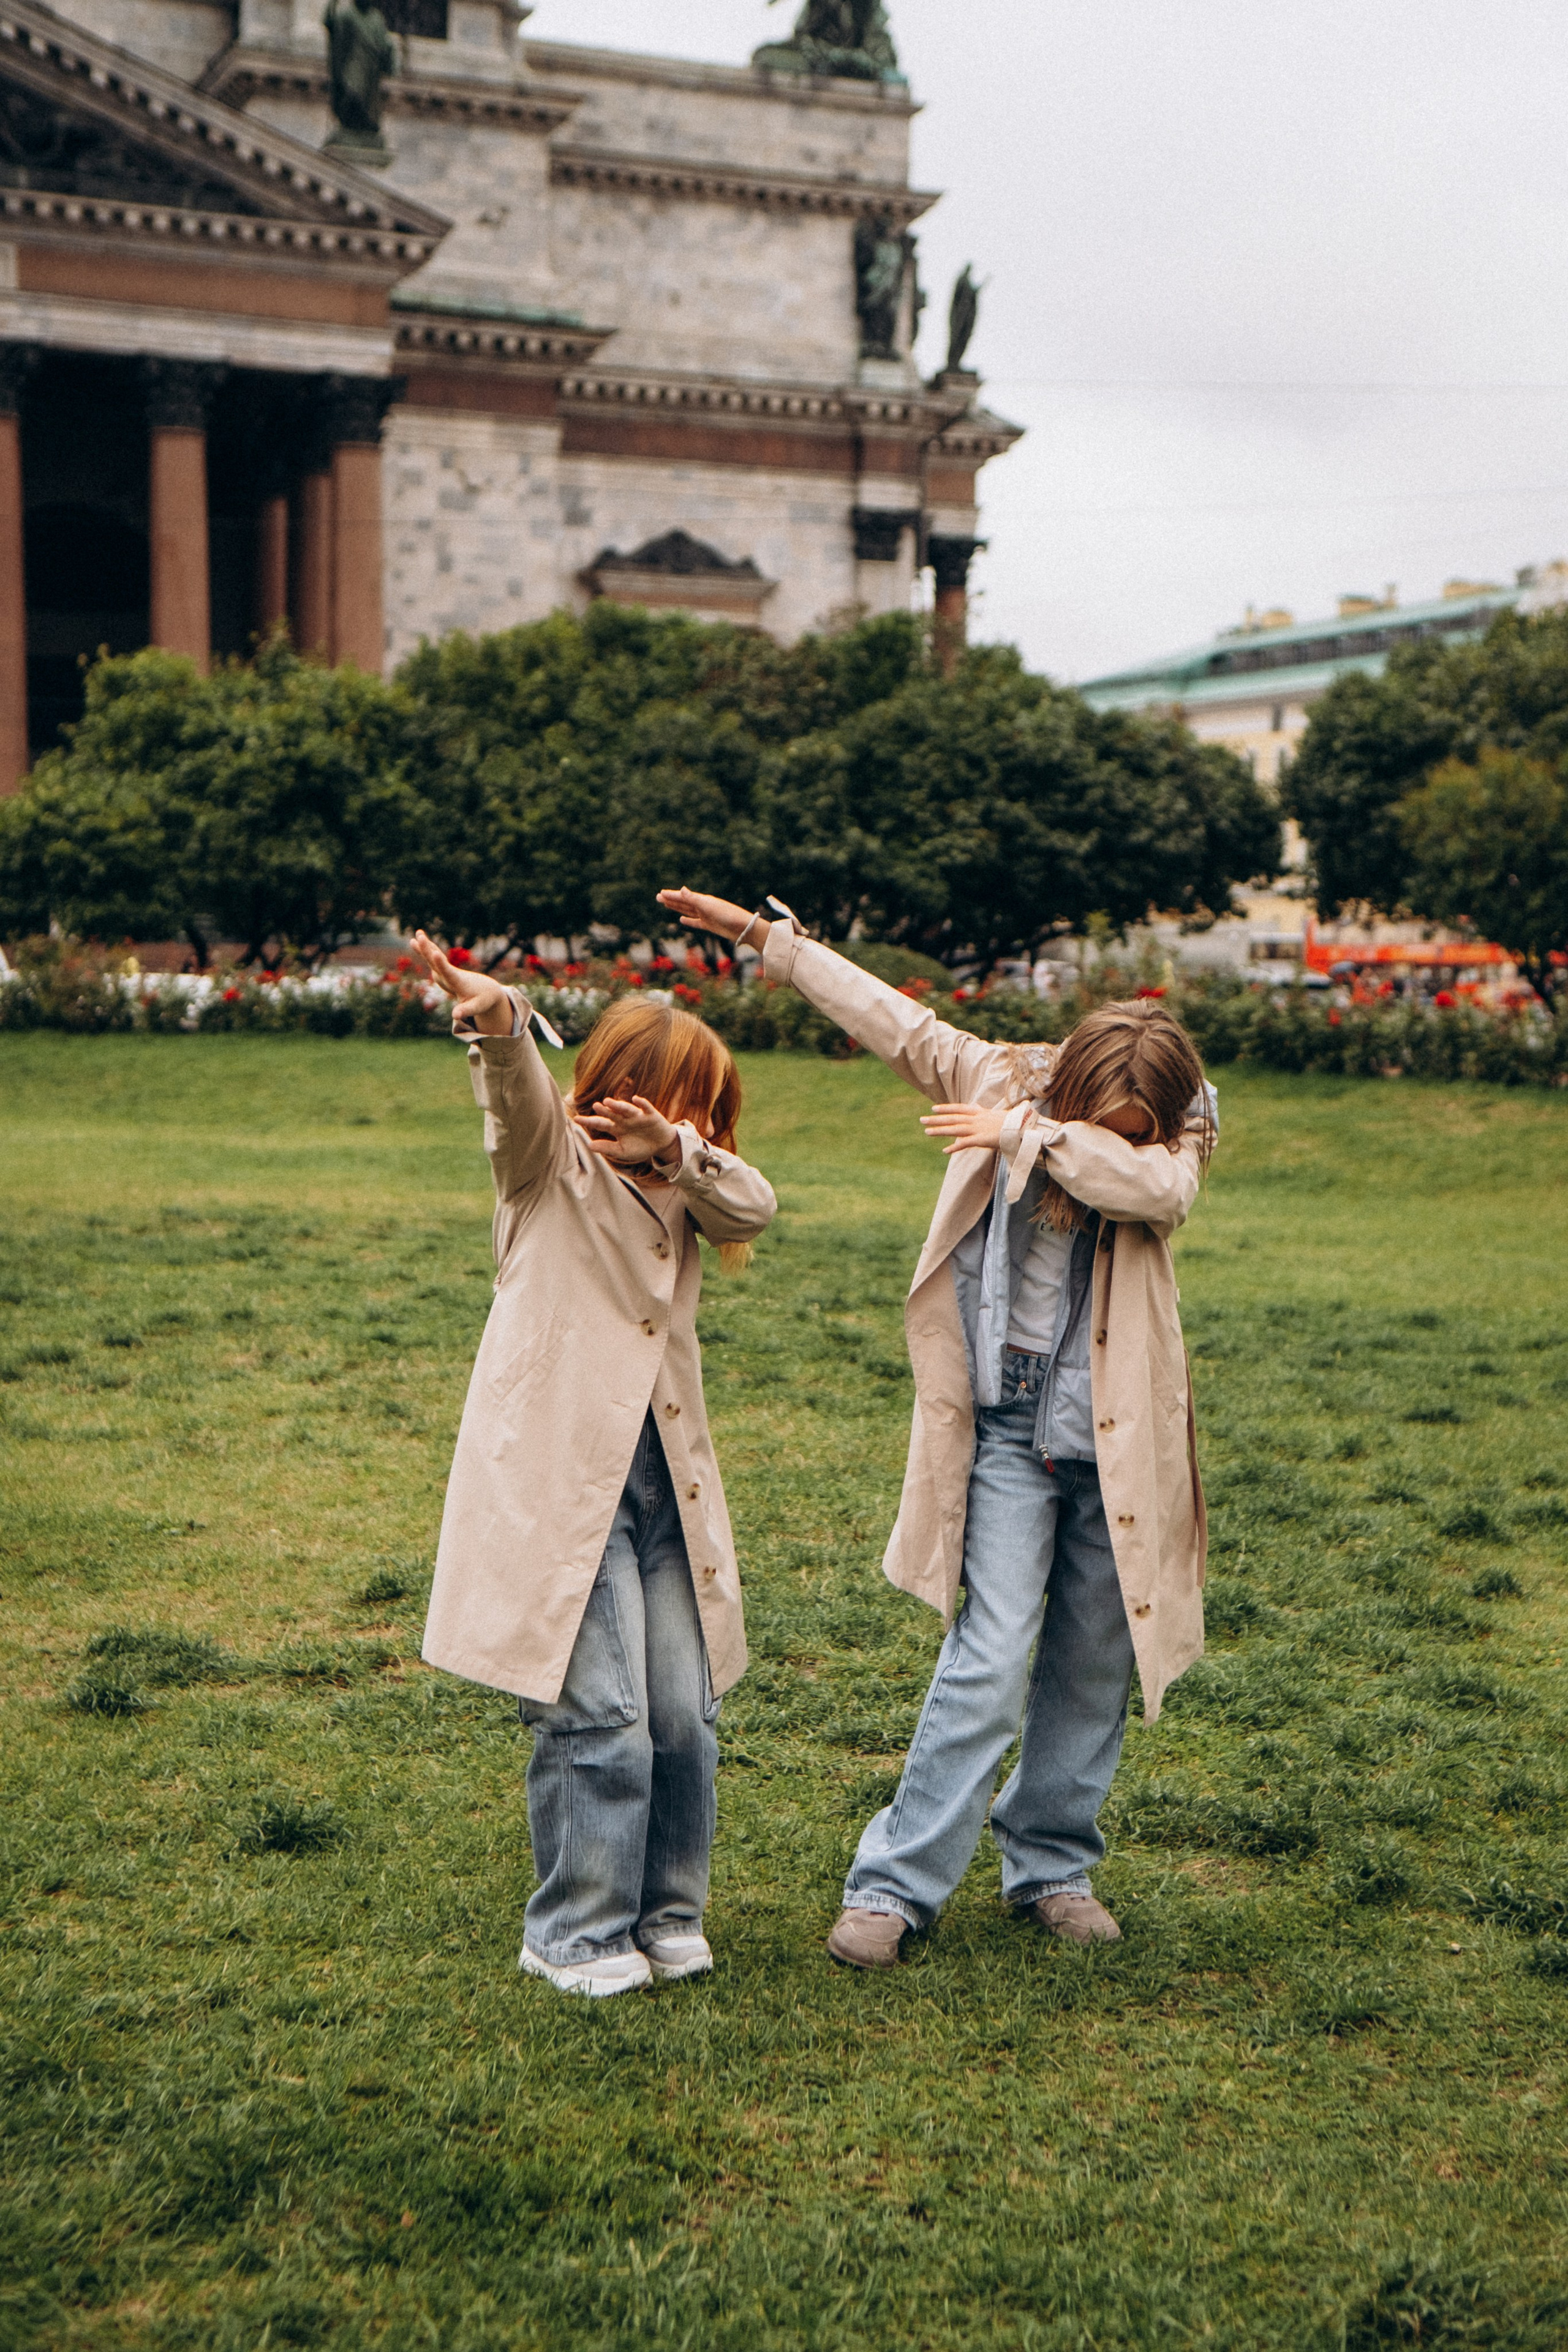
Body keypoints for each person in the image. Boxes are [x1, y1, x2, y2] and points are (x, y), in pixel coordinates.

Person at [657, 888, 1215, 1967]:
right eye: (1094, 1121)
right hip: (1008, 1430)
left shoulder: (1184, 1114)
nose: (1108, 1147)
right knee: (989, 1652)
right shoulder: (1000, 1074)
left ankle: (1051, 1864)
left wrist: (1032, 1139)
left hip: (1120, 1439)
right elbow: (890, 1018)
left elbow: (1158, 1189)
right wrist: (770, 942)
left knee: (1094, 1664)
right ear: (1074, 1083)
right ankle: (895, 1886)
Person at [412, 932, 777, 1998]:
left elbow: (757, 1203)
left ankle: (667, 1909)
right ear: (606, 1091)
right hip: (567, 1489)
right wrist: (499, 1024)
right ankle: (574, 1930)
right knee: (603, 1715)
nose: (683, 1125)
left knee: (683, 1713)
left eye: (703, 1110)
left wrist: (682, 1152)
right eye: (664, 1101)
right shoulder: (549, 1171)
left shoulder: (690, 1189)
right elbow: (515, 1101)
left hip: (666, 1482)